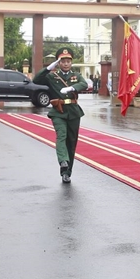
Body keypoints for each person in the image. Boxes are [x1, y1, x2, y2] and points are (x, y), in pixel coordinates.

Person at [33, 48, 88, 184]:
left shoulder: (76, 75)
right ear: (58, 62)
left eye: (68, 61)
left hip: (74, 111)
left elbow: (84, 84)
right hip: (59, 111)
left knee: (72, 142)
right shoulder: (52, 76)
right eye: (63, 61)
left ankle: (67, 173)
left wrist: (72, 88)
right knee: (61, 135)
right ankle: (63, 161)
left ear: (71, 62)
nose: (66, 64)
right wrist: (48, 68)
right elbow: (36, 80)